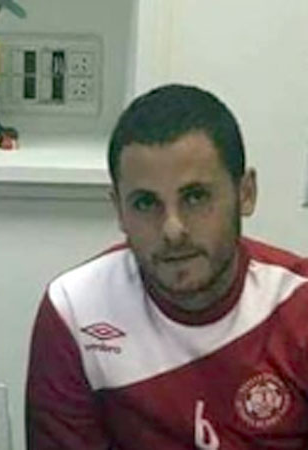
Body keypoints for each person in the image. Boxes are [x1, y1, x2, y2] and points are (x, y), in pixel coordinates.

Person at [26, 84, 308, 449]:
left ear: (246, 193)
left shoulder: (299, 304)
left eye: (195, 197)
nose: (173, 229)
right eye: (146, 204)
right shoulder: (74, 311)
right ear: (119, 210)